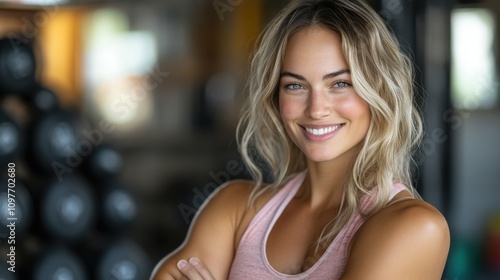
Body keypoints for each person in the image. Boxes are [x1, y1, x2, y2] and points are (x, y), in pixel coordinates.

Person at [151, 0, 450, 279]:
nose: (316, 109)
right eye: (295, 85)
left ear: (380, 92)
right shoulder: (235, 209)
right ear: (275, 97)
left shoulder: (413, 227)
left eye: (340, 83)